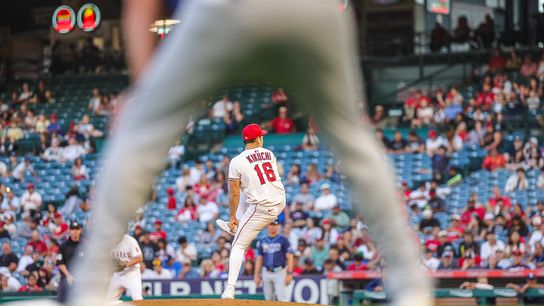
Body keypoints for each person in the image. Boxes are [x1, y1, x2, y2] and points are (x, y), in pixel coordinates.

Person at [67, 1, 431, 306]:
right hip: (311, 13)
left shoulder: (241, 158)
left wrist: (143, 92)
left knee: (137, 131)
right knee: (354, 139)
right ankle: (410, 279)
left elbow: (142, 7)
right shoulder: (268, 155)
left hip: (222, 10)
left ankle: (89, 285)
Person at [254, 220, 294, 302]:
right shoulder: (262, 240)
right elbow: (259, 259)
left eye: (275, 225)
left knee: (282, 299)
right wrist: (256, 275)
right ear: (267, 226)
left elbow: (290, 257)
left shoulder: (283, 240)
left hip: (280, 271)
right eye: (270, 224)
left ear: (278, 226)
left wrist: (289, 273)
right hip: (266, 271)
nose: (272, 226)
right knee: (268, 300)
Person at [106, 234, 144, 302]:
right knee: (107, 301)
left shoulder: (130, 241)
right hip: (117, 274)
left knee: (137, 298)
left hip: (131, 273)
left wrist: (126, 265)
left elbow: (139, 258)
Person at [57, 221, 83, 303]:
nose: (75, 231)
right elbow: (60, 263)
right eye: (72, 229)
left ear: (80, 230)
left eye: (77, 229)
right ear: (69, 231)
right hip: (66, 279)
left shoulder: (85, 245)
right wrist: (69, 276)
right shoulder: (64, 245)